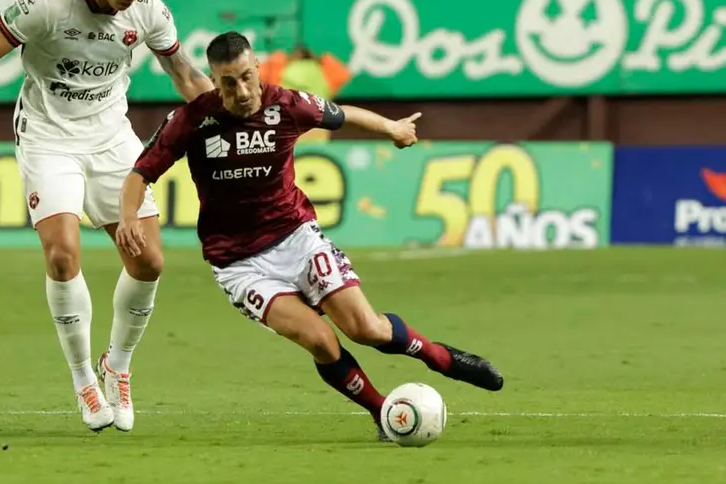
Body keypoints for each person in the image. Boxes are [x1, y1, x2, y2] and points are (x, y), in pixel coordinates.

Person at [115, 31, 503, 441]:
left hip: (297, 239)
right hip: (239, 265)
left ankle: (442, 358)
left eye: (247, 77)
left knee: (365, 329)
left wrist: (392, 127)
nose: (242, 90)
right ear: (215, 79)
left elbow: (341, 113)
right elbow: (140, 174)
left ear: (258, 69)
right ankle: (383, 413)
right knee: (318, 339)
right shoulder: (192, 120)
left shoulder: (286, 104)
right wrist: (127, 217)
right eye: (229, 82)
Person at [0, 0, 215, 432]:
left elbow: (185, 73)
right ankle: (83, 377)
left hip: (110, 137)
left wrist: (229, 120)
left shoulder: (147, 8)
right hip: (46, 136)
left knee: (148, 261)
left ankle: (117, 366)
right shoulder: (47, 2)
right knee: (62, 255)